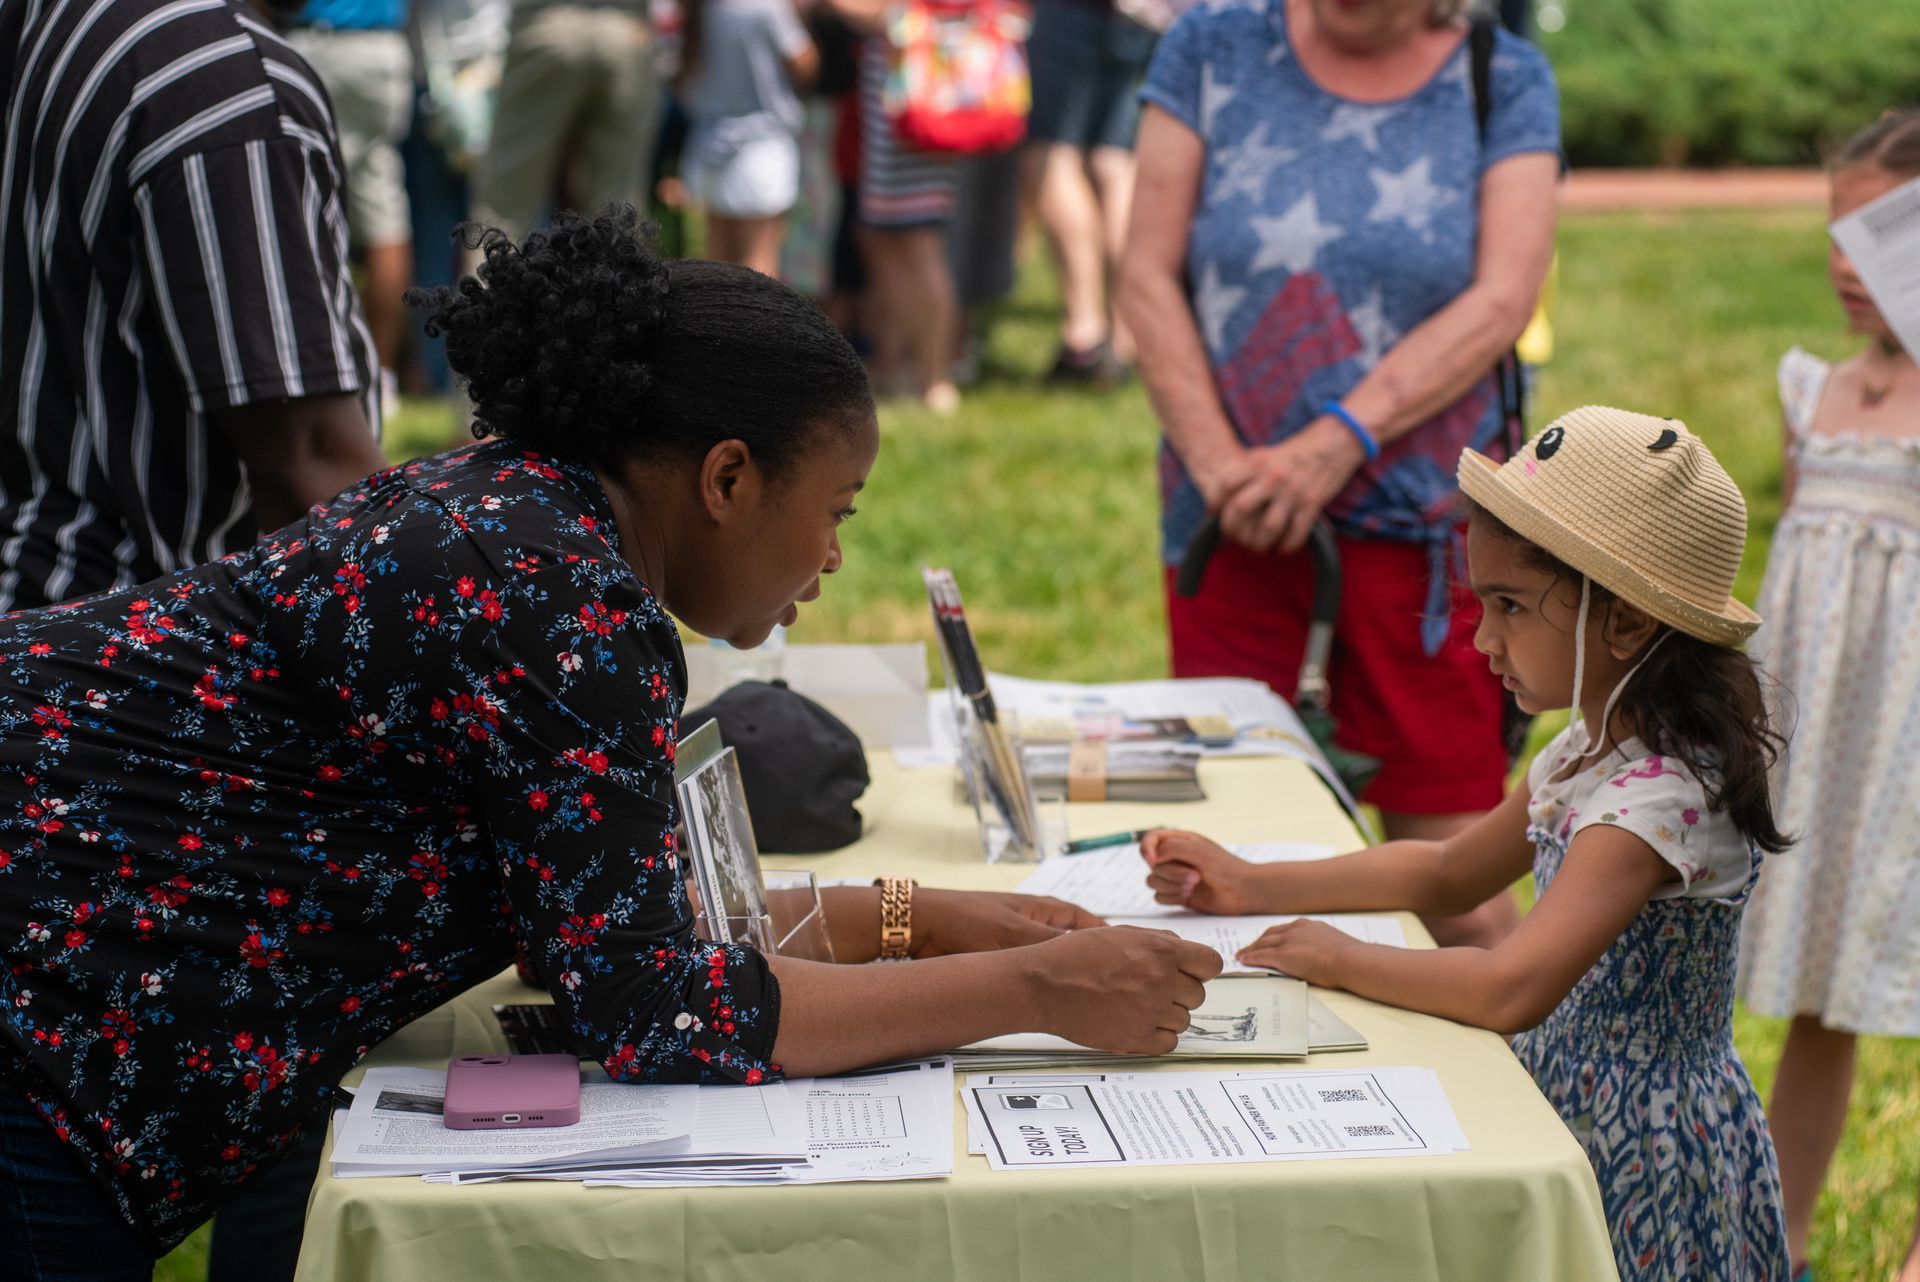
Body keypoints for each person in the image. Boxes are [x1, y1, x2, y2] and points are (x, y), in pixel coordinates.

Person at [0, 208, 1220, 1279]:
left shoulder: (527, 523)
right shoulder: (557, 600)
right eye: (836, 512)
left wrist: (923, 916)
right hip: (44, 1017)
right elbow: (648, 1006)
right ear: (729, 477)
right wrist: (1030, 990)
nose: (836, 559)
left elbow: (599, 917)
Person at [1138, 408, 1793, 1281]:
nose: (1483, 639)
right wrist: (1251, 883)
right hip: (1565, 1104)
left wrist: (1336, 958)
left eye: (1510, 607)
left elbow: (1510, 985)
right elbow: (1448, 872)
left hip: (1644, 1149)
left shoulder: (1657, 801)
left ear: (1627, 623)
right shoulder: (1587, 749)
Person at [1117, 0, 1559, 947]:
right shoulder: (1210, 44)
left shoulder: (1501, 74)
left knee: (1461, 886)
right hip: (1228, 528)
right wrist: (1221, 466)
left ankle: (1504, 1092)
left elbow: (1504, 296)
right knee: (1227, 857)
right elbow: (1146, 271)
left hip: (1431, 543)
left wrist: (1335, 441)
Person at [0, 0, 388, 617]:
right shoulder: (218, 79)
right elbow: (307, 465)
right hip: (152, 649)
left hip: (42, 629)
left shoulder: (62, 19)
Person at [1736, 109, 1920, 1282]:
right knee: (1822, 993)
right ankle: (1780, 1247)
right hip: (1831, 750)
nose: (1845, 260)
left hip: (1913, 748)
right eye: (1832, 232)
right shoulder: (1815, 390)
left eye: (1878, 232)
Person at [283, 0, 417, 405]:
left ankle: (313, 371)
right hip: (383, 51)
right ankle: (383, 379)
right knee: (383, 211)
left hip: (320, 45)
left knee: (297, 205)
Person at [1020, 0, 1156, 384]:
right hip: (1143, 17)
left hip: (1072, 13)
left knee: (1052, 157)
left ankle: (1084, 334)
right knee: (1114, 164)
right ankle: (1127, 335)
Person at [474, 0, 660, 243]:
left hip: (545, 23)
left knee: (504, 215)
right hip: (626, 30)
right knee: (619, 216)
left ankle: (491, 279)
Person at [678, 0, 819, 276]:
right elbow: (806, 65)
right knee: (759, 266)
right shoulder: (766, 7)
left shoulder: (703, 7)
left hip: (707, 145)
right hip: (761, 150)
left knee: (716, 263)